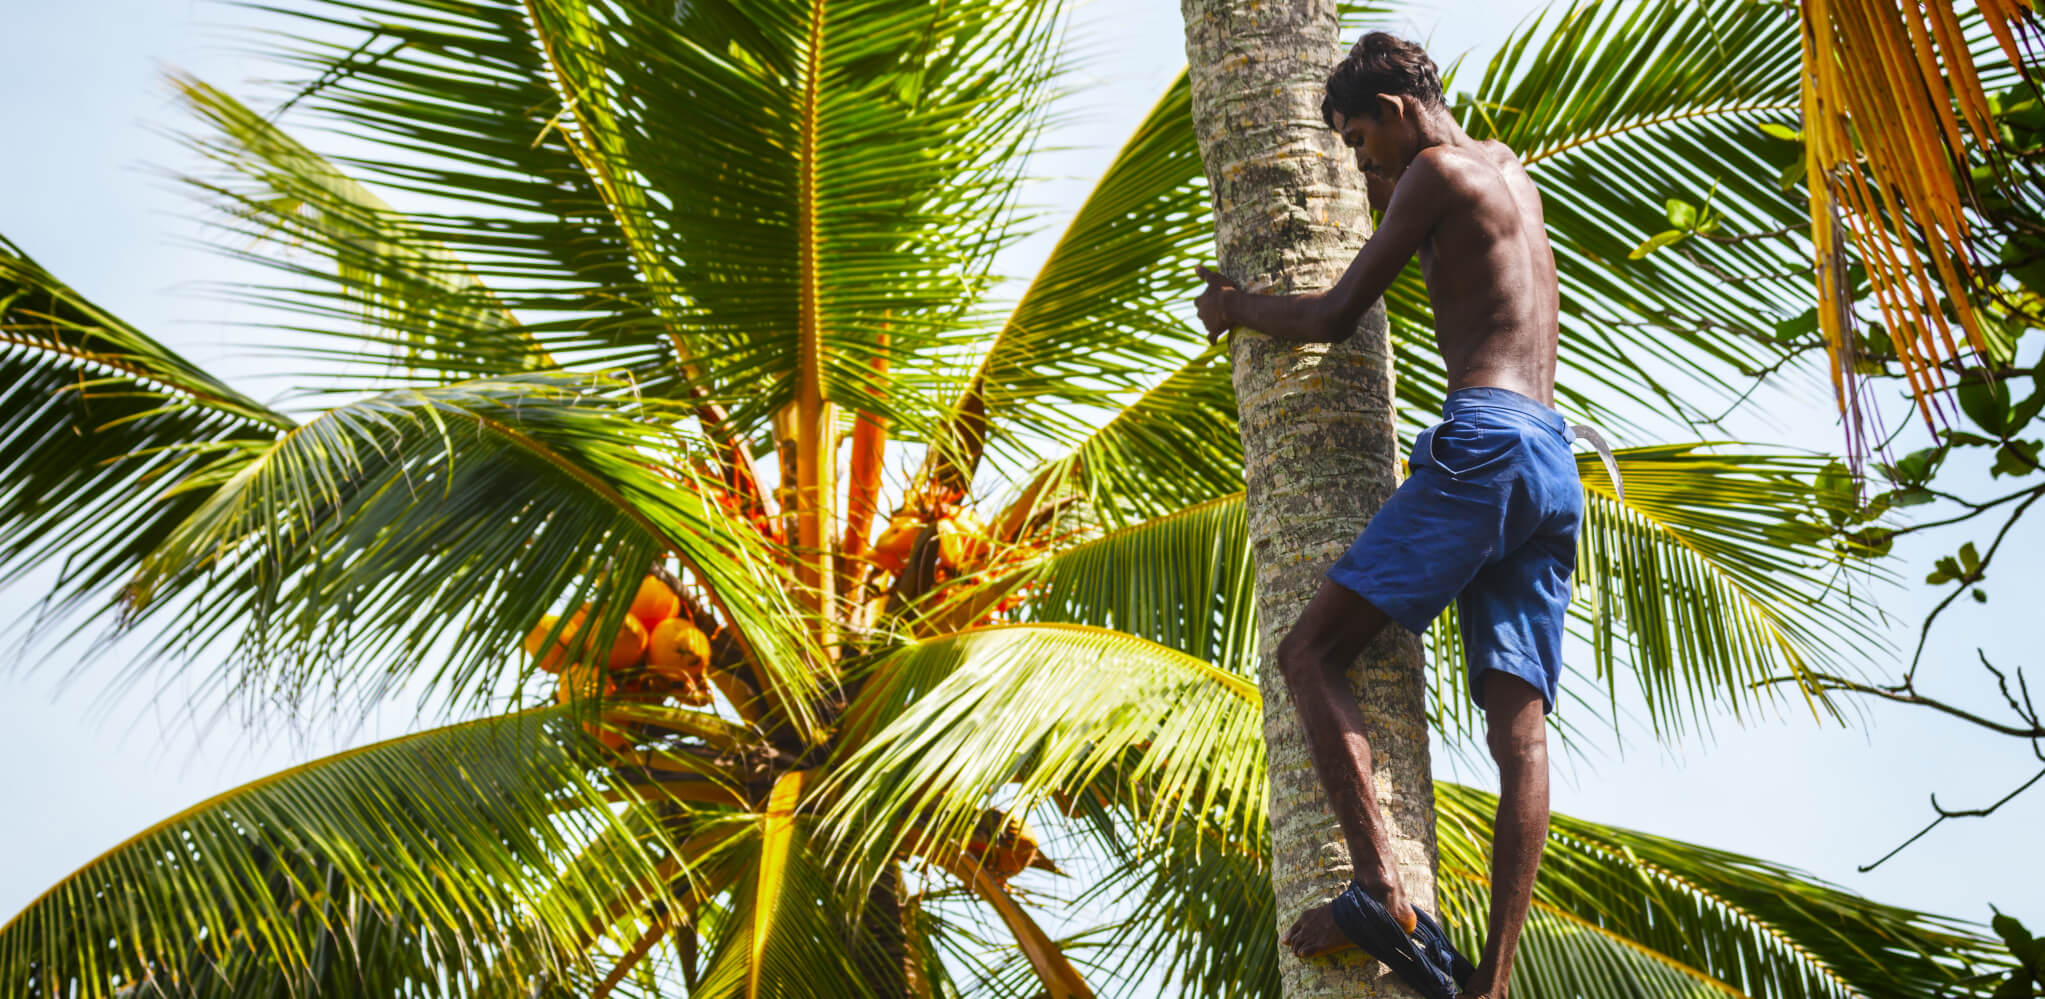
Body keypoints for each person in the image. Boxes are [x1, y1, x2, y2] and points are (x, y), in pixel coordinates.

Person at [1193, 31, 1582, 999]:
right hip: (1549, 457)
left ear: (1394, 110)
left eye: (1359, 141)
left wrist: (1239, 307)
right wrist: (1385, 191)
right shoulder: (1505, 173)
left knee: (1306, 654)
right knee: (1518, 736)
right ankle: (1489, 985)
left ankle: (1380, 890)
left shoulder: (1432, 171)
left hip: (1484, 443)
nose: (1361, 165)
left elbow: (1332, 316)